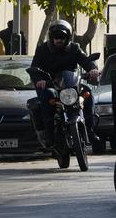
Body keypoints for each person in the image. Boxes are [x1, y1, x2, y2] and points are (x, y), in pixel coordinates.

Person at [28, 20, 99, 148]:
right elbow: (35, 68)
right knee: (45, 96)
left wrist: (92, 69)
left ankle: (90, 130)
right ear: (51, 37)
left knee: (88, 93)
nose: (59, 40)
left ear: (68, 37)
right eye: (56, 38)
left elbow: (86, 61)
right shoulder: (42, 50)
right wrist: (39, 80)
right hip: (50, 84)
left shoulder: (75, 48)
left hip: (71, 84)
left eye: (62, 37)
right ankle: (49, 134)